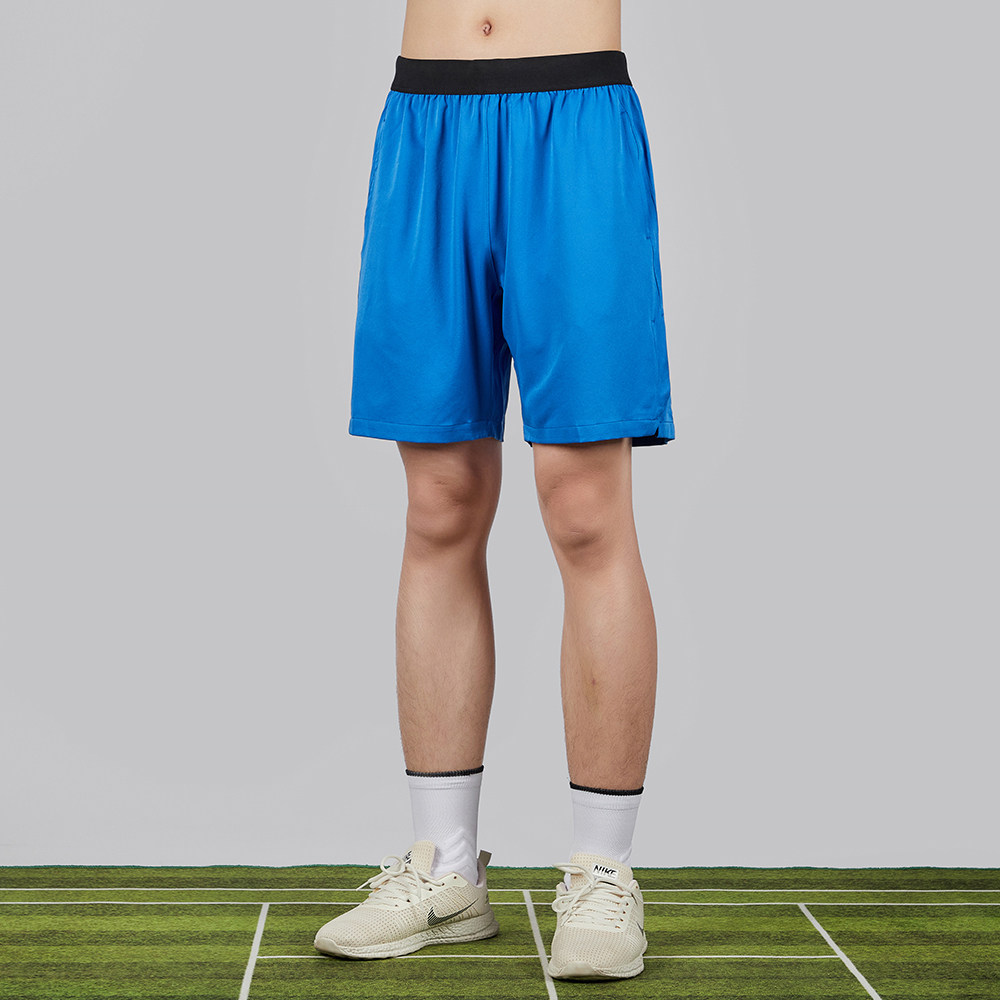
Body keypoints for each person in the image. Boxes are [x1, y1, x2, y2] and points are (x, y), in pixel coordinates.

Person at [315, 0, 674, 982]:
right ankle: (445, 867)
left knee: (585, 505)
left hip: (575, 116)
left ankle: (602, 868)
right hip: (429, 118)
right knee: (439, 499)